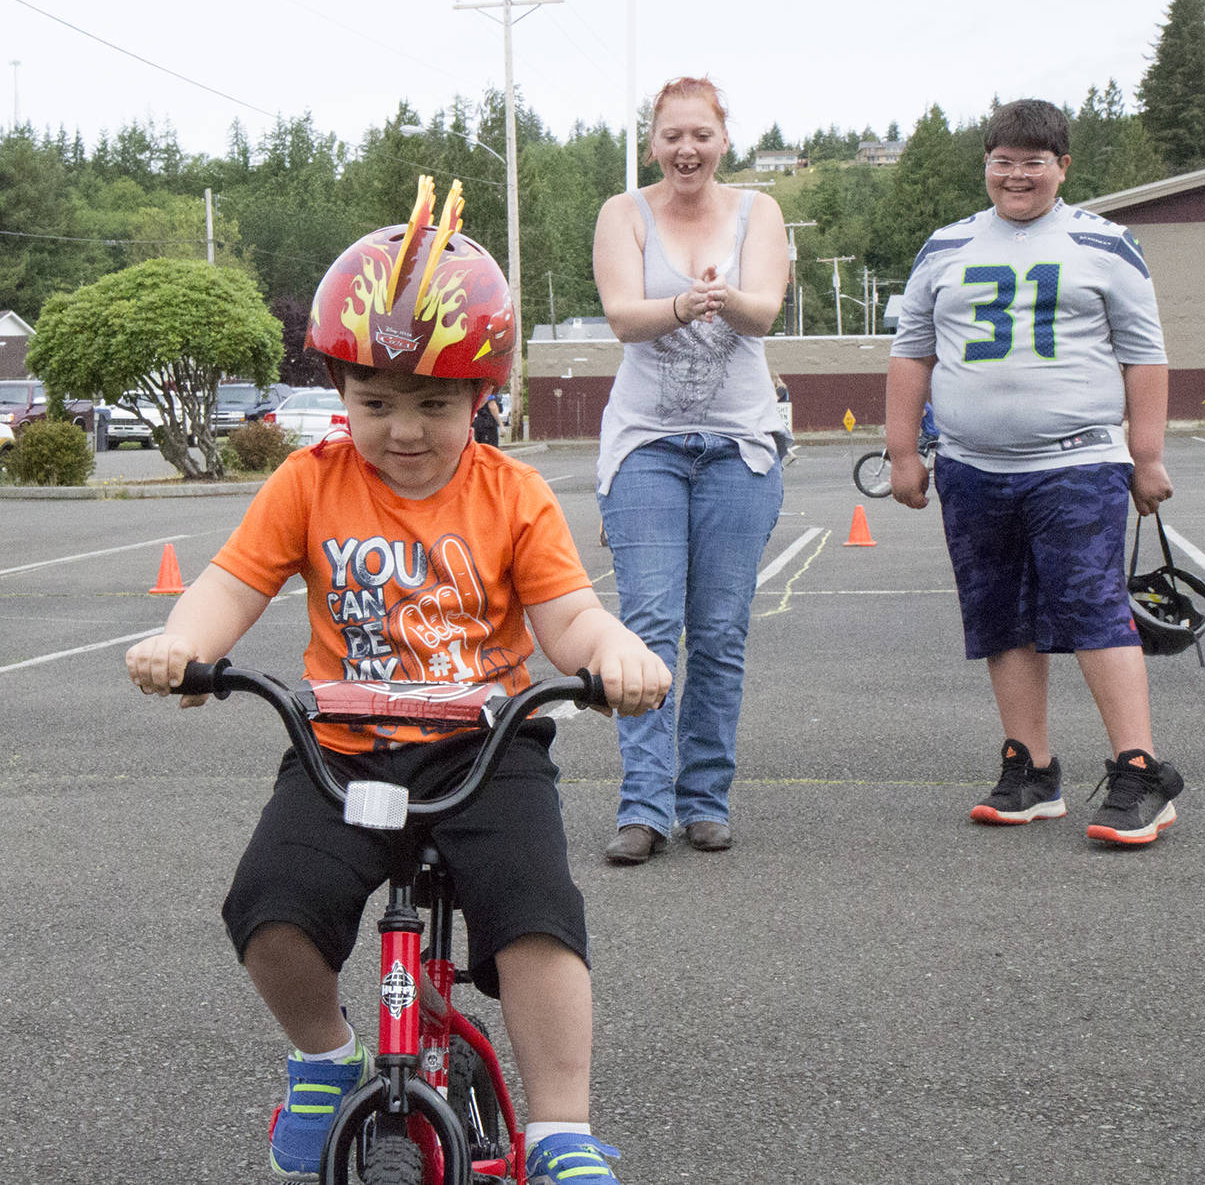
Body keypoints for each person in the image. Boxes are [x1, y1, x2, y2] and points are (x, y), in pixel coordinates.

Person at [125, 177, 671, 1184]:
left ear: (482, 398)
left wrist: (613, 656)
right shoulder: (309, 482)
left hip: (486, 746)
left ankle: (559, 1128)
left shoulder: (512, 493)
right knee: (269, 906)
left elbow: (568, 619)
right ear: (340, 392)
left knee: (538, 916)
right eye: (376, 403)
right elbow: (231, 584)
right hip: (342, 746)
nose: (405, 430)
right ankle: (327, 1056)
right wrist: (182, 645)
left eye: (435, 404)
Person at [886, 98, 1185, 847]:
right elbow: (911, 353)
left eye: (1033, 161)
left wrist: (1146, 454)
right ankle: (1032, 767)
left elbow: (1144, 353)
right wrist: (900, 451)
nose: (1017, 175)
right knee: (1000, 614)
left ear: (1063, 167)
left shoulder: (1106, 243)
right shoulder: (945, 246)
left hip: (1076, 461)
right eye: (1003, 160)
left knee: (1092, 607)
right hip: (971, 466)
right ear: (986, 164)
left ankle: (1139, 767)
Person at [591, 75, 790, 865]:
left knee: (717, 631)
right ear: (653, 144)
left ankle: (704, 797)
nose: (686, 148)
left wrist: (725, 298)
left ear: (722, 141)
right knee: (646, 628)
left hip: (739, 446)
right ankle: (642, 804)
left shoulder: (758, 212)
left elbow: (765, 309)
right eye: (672, 135)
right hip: (647, 446)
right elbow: (620, 315)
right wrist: (683, 305)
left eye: (700, 135)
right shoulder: (623, 213)